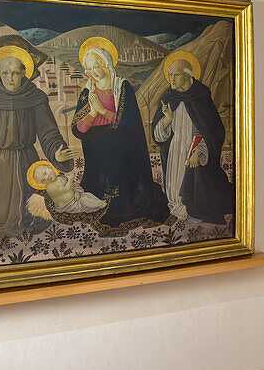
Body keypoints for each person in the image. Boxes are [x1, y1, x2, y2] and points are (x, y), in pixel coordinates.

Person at [0, 47, 76, 239]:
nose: (10, 78)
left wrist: (56, 152)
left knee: (32, 210)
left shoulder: (35, 98)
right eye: (6, 73)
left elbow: (48, 132)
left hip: (28, 161)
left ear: (24, 73)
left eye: (16, 73)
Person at [72, 39, 171, 232]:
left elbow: (127, 124)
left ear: (107, 64)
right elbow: (78, 130)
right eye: (89, 68)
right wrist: (93, 113)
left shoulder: (122, 88)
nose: (92, 72)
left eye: (96, 67)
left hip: (121, 148)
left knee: (122, 194)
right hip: (95, 150)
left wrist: (101, 109)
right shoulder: (87, 92)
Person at [152, 53, 236, 225]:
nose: (172, 80)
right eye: (170, 76)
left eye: (175, 75)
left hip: (196, 151)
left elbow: (214, 131)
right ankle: (177, 208)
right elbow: (159, 136)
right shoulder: (169, 98)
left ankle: (193, 210)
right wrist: (167, 119)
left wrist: (199, 151)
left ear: (187, 75)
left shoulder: (201, 97)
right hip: (175, 150)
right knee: (175, 188)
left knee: (197, 194)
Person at [28, 160, 106, 214]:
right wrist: (70, 179)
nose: (47, 177)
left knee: (86, 196)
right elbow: (66, 189)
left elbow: (74, 185)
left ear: (50, 167)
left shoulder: (61, 178)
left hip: (75, 199)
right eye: (43, 180)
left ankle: (98, 205)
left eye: (45, 173)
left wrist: (78, 192)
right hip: (68, 205)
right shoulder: (50, 187)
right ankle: (100, 204)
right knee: (85, 199)